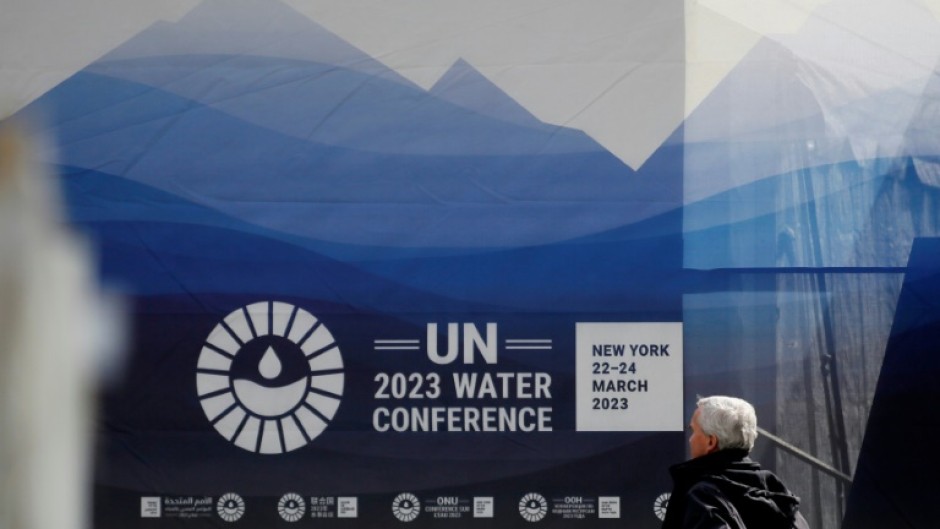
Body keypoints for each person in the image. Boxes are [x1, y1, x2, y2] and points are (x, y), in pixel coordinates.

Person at [662, 396, 810, 529]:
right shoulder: (781, 497)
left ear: (711, 442)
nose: (690, 439)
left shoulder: (704, 497)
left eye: (694, 431)